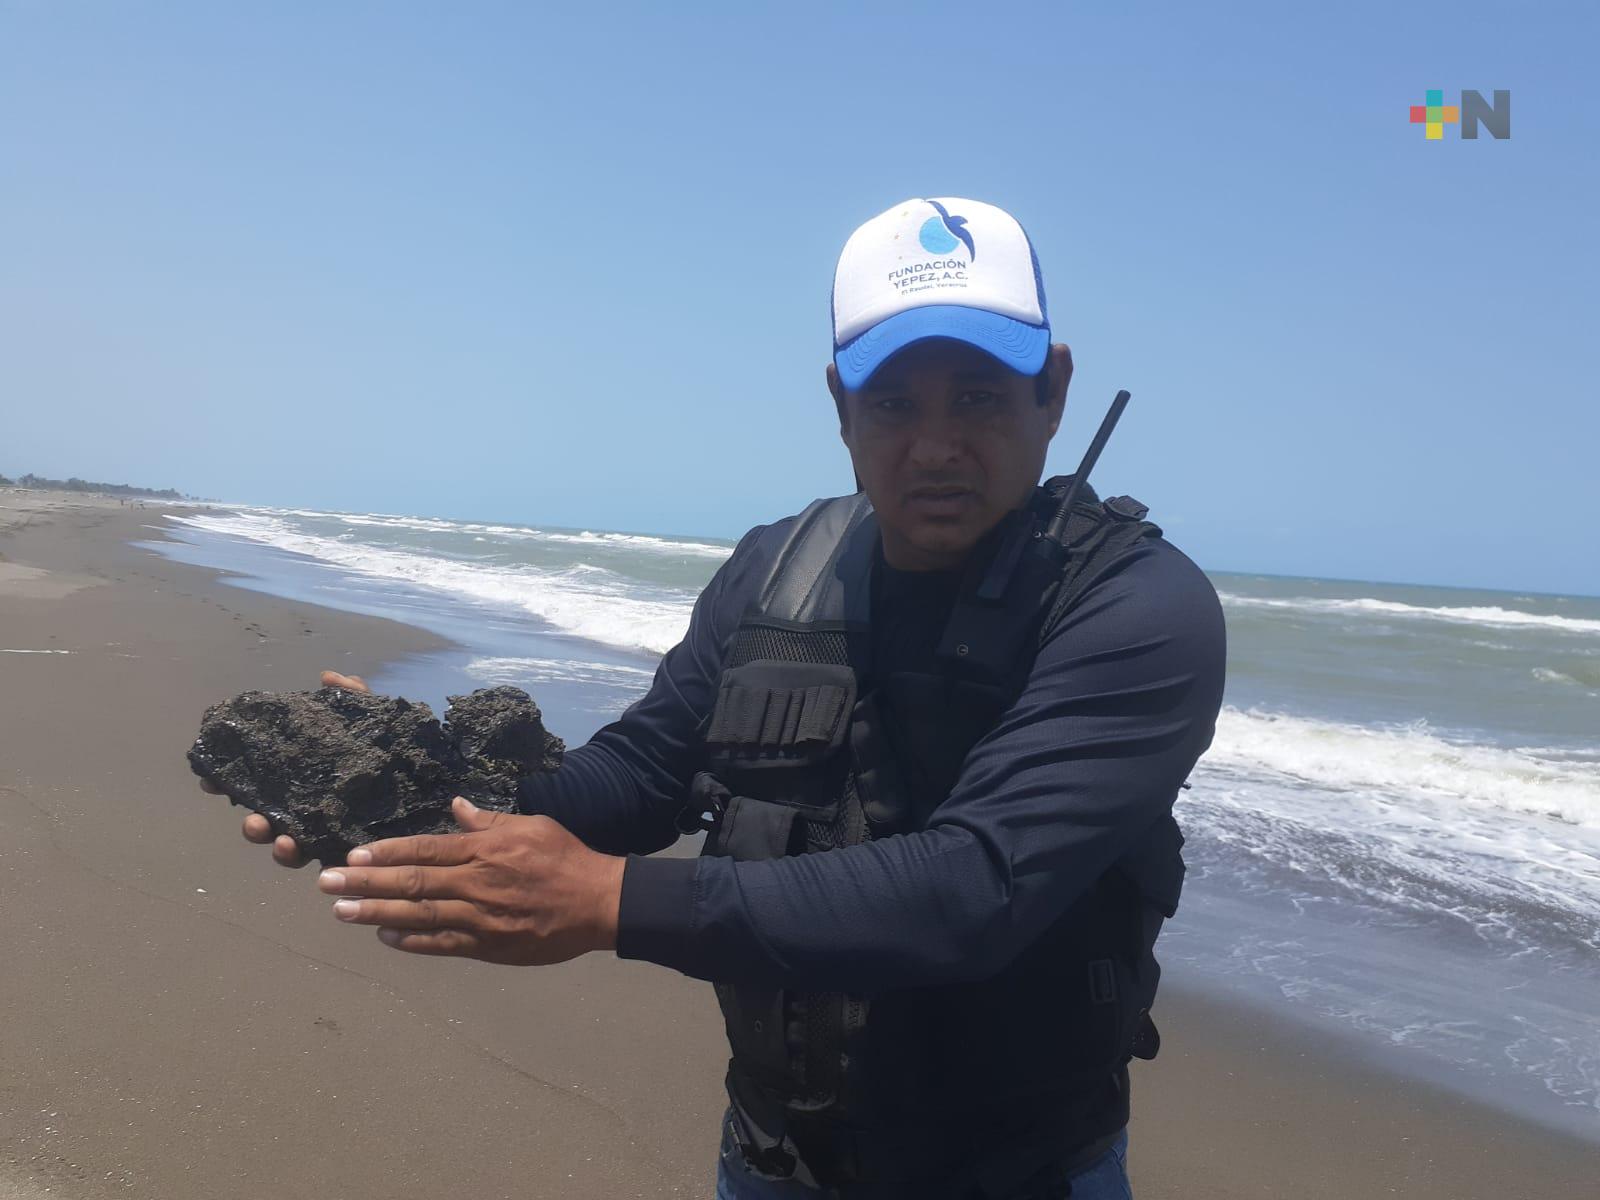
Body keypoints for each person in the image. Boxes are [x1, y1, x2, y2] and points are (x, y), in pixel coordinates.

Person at [209, 198, 1226, 1198]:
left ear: (1052, 393)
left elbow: (977, 887)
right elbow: (647, 770)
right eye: (891, 404)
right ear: (840, 406)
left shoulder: (1137, 607)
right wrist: (418, 787)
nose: (934, 444)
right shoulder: (776, 571)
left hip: (1024, 1175)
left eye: (977, 396)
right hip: (773, 1160)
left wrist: (607, 901)